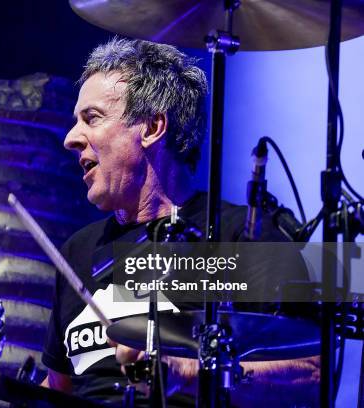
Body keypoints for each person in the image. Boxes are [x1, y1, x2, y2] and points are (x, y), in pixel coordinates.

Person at [40, 38, 320, 407]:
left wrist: (192, 374)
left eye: (91, 118)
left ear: (153, 127)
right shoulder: (78, 250)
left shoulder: (242, 235)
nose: (70, 139)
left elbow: (313, 376)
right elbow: (57, 387)